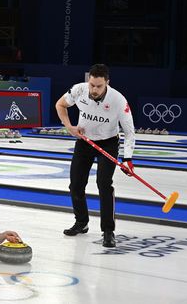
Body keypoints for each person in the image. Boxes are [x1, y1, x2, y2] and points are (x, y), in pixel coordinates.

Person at [55, 64, 135, 248]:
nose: (94, 89)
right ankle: (81, 222)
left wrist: (128, 158)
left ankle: (108, 231)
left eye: (98, 86)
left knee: (104, 184)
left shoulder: (119, 100)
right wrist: (69, 127)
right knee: (76, 184)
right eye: (92, 85)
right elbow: (60, 104)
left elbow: (129, 132)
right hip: (85, 141)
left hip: (108, 142)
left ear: (107, 82)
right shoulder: (79, 90)